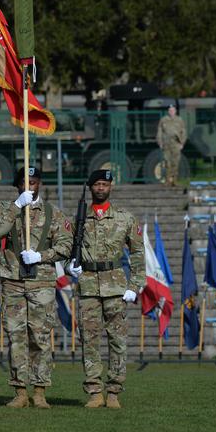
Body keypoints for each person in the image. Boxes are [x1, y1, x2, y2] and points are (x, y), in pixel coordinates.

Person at [0, 166, 72, 409]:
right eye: (24, 182)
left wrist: (41, 256)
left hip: (41, 282)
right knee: (16, 337)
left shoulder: (54, 214)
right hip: (13, 281)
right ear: (17, 185)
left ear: (39, 183)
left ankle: (39, 390)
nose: (29, 186)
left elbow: (65, 246)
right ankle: (20, 390)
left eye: (33, 182)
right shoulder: (6, 210)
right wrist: (16, 206)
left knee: (40, 337)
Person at [67, 169, 144, 409]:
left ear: (110, 187)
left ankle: (113, 391)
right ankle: (94, 391)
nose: (101, 188)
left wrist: (135, 285)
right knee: (89, 341)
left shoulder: (125, 218)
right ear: (90, 188)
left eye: (105, 184)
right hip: (88, 285)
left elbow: (138, 253)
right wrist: (69, 265)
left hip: (116, 286)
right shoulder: (79, 218)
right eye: (97, 185)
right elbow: (67, 248)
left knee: (117, 341)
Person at [156, 104, 187, 186]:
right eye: (170, 110)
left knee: (175, 162)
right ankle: (167, 180)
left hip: (176, 144)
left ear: (175, 111)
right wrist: (160, 142)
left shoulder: (179, 120)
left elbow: (183, 131)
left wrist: (182, 143)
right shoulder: (164, 120)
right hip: (166, 144)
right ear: (168, 111)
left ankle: (175, 180)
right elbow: (160, 131)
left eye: (173, 110)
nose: (172, 112)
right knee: (167, 162)